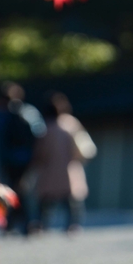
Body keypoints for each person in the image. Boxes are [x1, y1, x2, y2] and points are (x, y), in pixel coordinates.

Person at [32, 92, 96, 232]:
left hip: (49, 170)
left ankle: (42, 224)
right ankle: (73, 225)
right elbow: (82, 147)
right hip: (69, 168)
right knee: (72, 202)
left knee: (46, 201)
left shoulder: (45, 128)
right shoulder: (71, 124)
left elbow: (40, 153)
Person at [0, 82, 45, 235]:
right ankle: (19, 223)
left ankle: (21, 223)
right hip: (25, 159)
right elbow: (39, 134)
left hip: (12, 160)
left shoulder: (2, 114)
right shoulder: (28, 111)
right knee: (19, 191)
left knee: (16, 191)